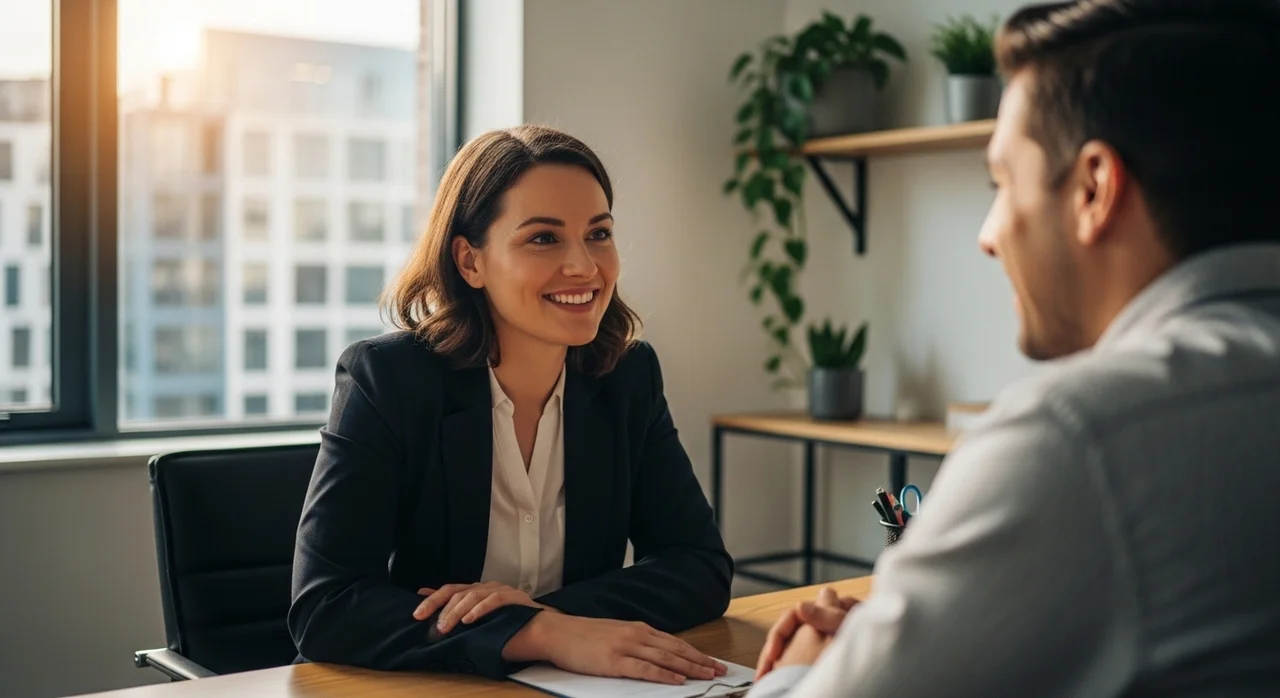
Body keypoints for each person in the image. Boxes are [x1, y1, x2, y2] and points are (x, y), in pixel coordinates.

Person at [749, 1, 1280, 696]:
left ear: (1094, 187)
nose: (988, 234)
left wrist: (807, 665)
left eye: (1001, 183)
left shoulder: (1077, 438)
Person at [288, 125, 733, 684]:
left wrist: (552, 618)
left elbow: (699, 566)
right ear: (470, 262)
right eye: (544, 239)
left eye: (599, 234)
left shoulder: (627, 376)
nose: (585, 267)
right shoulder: (389, 380)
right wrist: (536, 632)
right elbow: (326, 607)